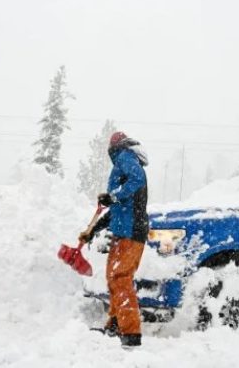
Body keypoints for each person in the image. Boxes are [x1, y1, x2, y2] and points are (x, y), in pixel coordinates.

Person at [79, 131, 149, 347]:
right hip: (124, 232)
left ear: (114, 147)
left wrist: (113, 195)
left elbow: (136, 180)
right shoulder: (124, 163)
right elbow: (116, 211)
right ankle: (117, 324)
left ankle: (131, 333)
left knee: (120, 278)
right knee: (115, 279)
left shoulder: (125, 157)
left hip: (130, 233)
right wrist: (94, 229)